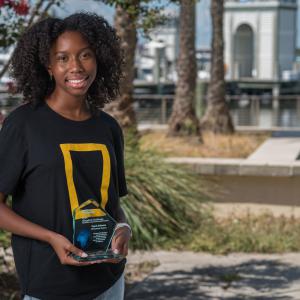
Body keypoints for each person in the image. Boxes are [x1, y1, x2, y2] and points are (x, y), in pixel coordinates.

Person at [0, 12, 131, 300]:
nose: (76, 67)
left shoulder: (108, 128)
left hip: (108, 283)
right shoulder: (23, 124)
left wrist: (123, 229)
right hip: (49, 285)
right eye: (63, 58)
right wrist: (50, 238)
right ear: (48, 66)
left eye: (85, 55)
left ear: (98, 59)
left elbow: (111, 206)